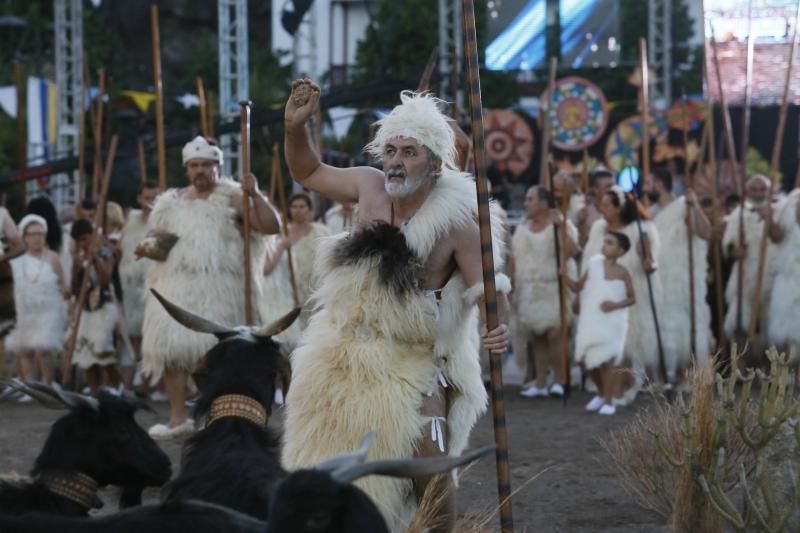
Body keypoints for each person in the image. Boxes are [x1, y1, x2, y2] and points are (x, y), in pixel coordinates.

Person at [281, 80, 509, 531]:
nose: (395, 163)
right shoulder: (368, 186)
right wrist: (294, 128)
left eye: (409, 152)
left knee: (431, 463)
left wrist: (494, 326)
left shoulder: (460, 220)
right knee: (318, 459)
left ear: (436, 163)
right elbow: (307, 172)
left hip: (414, 356)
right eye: (390, 151)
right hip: (344, 347)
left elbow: (485, 286)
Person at [141, 136, 280, 440]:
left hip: (221, 288)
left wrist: (255, 194)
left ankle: (214, 414)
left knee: (217, 355)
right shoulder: (171, 203)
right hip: (176, 287)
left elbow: (271, 227)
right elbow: (154, 251)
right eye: (194, 166)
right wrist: (152, 241)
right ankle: (178, 418)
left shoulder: (233, 197)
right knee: (172, 352)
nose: (200, 171)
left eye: (206, 165)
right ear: (187, 169)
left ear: (218, 166)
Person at [583, 185, 661, 403]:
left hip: (627, 294)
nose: (602, 209)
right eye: (602, 204)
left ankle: (624, 389)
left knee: (625, 344)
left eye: (607, 205)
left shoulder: (640, 230)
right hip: (601, 295)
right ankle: (610, 389)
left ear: (619, 208)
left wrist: (648, 261)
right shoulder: (599, 229)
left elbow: (651, 263)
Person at [508, 186, 579, 397]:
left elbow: (573, 252)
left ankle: (560, 380)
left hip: (552, 287)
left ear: (543, 203)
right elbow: (514, 258)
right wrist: (510, 285)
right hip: (528, 289)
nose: (525, 203)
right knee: (537, 336)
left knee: (556, 336)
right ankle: (540, 383)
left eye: (530, 199)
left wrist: (561, 228)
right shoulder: (521, 228)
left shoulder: (560, 225)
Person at [646, 168, 714, 375]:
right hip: (659, 280)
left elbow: (704, 232)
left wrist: (693, 206)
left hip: (683, 280)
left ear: (659, 184)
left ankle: (690, 374)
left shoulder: (683, 206)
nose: (644, 188)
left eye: (647, 183)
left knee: (688, 323)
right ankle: (667, 374)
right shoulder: (649, 213)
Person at [565, 231, 635, 415]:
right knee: (587, 361)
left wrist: (615, 305)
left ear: (621, 251)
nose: (605, 245)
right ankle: (602, 393)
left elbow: (632, 298)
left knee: (607, 361)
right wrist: (565, 277)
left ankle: (609, 400)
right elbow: (578, 287)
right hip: (592, 318)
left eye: (610, 243)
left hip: (613, 321)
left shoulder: (623, 272)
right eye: (605, 242)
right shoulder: (594, 264)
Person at [6, 215, 70, 389]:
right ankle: (30, 387)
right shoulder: (17, 261)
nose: (37, 238)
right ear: (24, 236)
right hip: (25, 310)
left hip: (48, 310)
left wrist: (67, 298)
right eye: (33, 234)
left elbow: (63, 283)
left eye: (41, 234)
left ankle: (47, 384)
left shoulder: (52, 257)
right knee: (26, 350)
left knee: (44, 348)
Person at [260, 192, 330, 346]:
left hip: (314, 290)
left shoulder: (321, 232)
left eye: (302, 206)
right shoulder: (281, 233)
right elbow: (269, 263)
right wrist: (282, 245)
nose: (298, 210)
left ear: (310, 210)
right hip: (289, 291)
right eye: (294, 206)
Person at [722, 175, 779, 354]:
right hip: (745, 277)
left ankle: (774, 371)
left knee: (773, 326)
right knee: (740, 324)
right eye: (754, 189)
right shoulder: (739, 214)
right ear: (747, 192)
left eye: (762, 189)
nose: (758, 193)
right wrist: (734, 251)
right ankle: (742, 371)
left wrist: (770, 220)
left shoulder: (780, 210)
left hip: (773, 275)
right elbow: (728, 243)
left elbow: (782, 237)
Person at [70, 218, 119, 393]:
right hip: (85, 311)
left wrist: (95, 259)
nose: (82, 243)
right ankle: (94, 391)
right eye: (79, 240)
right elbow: (74, 287)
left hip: (104, 308)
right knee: (86, 355)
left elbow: (106, 278)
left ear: (92, 236)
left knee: (102, 349)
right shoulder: (78, 257)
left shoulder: (106, 253)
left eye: (85, 238)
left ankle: (114, 387)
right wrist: (77, 269)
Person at [119, 181, 160, 392]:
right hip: (130, 285)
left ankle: (146, 382)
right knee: (133, 334)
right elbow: (122, 247)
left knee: (149, 334)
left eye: (155, 197)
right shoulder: (131, 219)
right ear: (139, 198)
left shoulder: (163, 219)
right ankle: (134, 379)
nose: (151, 201)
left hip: (152, 283)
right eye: (147, 197)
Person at [767, 187, 800, 357]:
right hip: (788, 275)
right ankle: (786, 372)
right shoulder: (790, 203)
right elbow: (776, 237)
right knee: (783, 324)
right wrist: (769, 219)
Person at [577, 167, 615, 247]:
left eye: (614, 186)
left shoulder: (619, 211)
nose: (613, 190)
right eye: (609, 186)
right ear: (595, 189)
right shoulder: (585, 213)